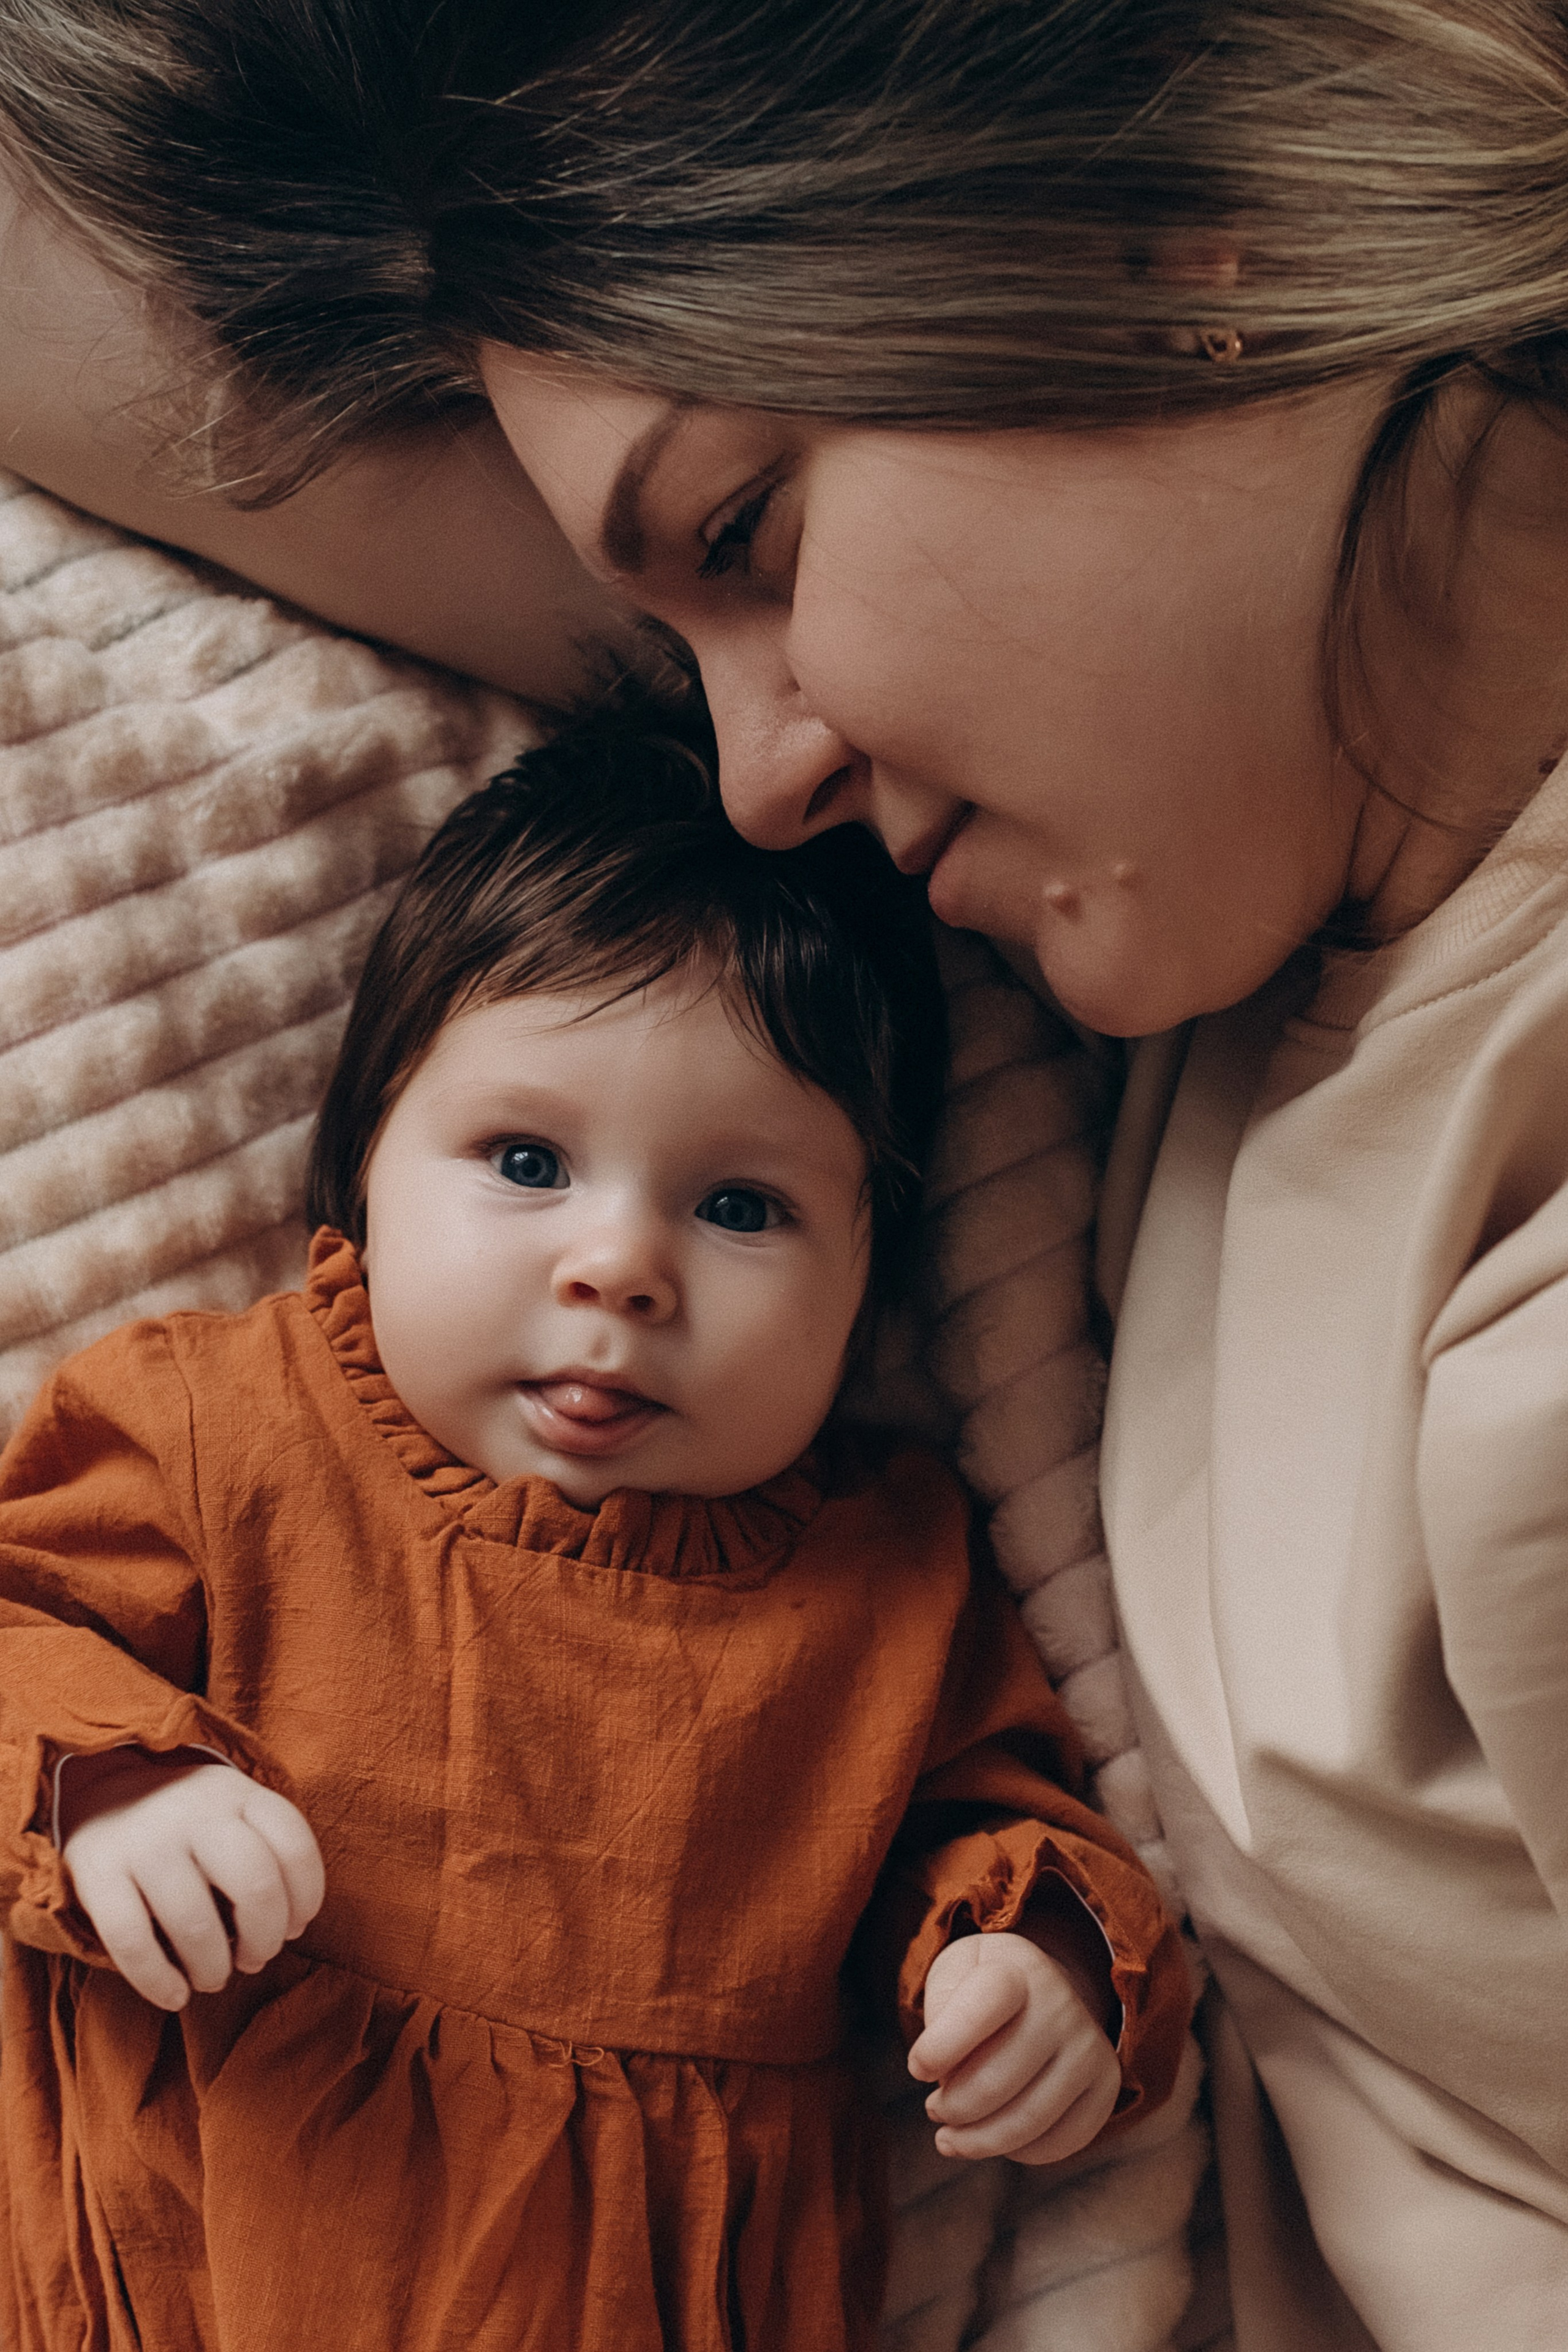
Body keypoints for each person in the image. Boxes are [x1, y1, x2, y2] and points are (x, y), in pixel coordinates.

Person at [4, 1, 1568, 2340]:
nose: (749, 789)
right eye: (674, 618)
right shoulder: (1198, 808)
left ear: (1146, 253)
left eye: (741, 539)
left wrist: (1034, 1949)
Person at [0, 706, 1189, 2351]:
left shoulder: (882, 1585)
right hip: (183, 2255)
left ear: (870, 1282)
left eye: (741, 1205)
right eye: (529, 1159)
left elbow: (1000, 1810)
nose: (620, 1268)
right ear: (358, 1170)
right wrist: (110, 1781)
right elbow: (16, 1632)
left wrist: (1043, 1961)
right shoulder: (230, 1428)